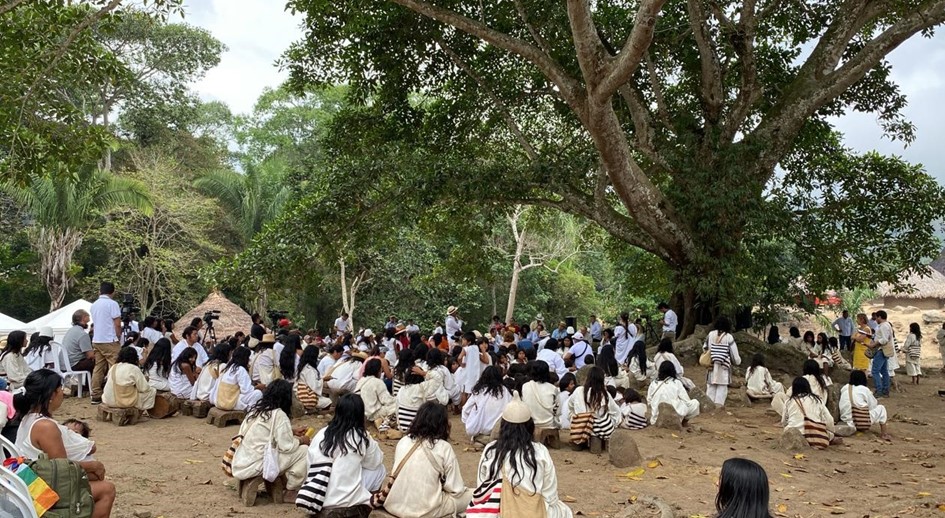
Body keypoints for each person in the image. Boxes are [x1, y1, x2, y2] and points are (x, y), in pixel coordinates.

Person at [13, 370, 115, 518]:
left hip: (29, 480)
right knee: (107, 489)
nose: (63, 393)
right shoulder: (45, 426)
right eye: (60, 389)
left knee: (93, 476)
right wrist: (93, 466)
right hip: (40, 489)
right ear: (52, 394)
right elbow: (63, 470)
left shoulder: (27, 417)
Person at [473, 394, 573, 518]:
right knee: (565, 511)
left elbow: (481, 490)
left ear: (503, 426)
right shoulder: (540, 451)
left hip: (499, 513)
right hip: (534, 513)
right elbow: (550, 497)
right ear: (529, 427)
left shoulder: (490, 450)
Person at [382, 402, 472, 517]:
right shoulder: (444, 447)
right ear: (443, 424)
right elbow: (456, 489)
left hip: (394, 506)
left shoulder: (404, 441)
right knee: (475, 495)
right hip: (425, 511)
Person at [304, 394, 385, 517]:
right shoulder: (360, 436)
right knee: (379, 470)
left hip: (316, 496)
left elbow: (310, 463)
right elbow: (376, 461)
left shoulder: (321, 434)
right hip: (344, 502)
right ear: (360, 414)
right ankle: (366, 510)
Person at [231, 379, 311, 503]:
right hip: (257, 465)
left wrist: (292, 431)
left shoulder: (255, 411)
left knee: (292, 447)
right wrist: (302, 440)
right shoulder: (279, 414)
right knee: (304, 451)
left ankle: (287, 485)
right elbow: (287, 446)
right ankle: (291, 490)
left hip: (241, 462)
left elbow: (265, 433)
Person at [568, 366, 620, 445]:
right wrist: (612, 424)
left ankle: (582, 438)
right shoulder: (605, 394)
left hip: (581, 427)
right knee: (609, 414)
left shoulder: (579, 390)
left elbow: (570, 405)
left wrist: (578, 415)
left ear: (588, 378)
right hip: (602, 429)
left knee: (572, 414)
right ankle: (598, 436)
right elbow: (616, 412)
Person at [781, 377, 839, 446]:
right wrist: (831, 432)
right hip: (814, 433)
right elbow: (829, 419)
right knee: (829, 434)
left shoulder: (789, 401)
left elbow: (784, 422)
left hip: (794, 434)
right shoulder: (817, 400)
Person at [90, 281, 122, 405]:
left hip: (97, 340)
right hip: (110, 339)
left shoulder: (94, 305)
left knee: (98, 367)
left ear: (100, 291)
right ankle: (113, 394)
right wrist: (118, 336)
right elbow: (117, 323)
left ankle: (96, 395)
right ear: (113, 292)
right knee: (115, 367)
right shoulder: (112, 304)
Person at [462, 365, 512, 443]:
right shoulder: (505, 391)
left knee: (474, 408)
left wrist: (468, 422)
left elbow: (466, 409)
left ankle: (481, 439)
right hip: (500, 431)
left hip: (482, 432)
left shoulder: (479, 391)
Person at [839, 370, 891, 440]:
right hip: (860, 421)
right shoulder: (864, 389)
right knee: (881, 408)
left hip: (845, 419)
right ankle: (884, 434)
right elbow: (873, 405)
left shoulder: (845, 387)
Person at [354, 359, 399, 438]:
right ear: (378, 370)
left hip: (361, 412)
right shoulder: (378, 382)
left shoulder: (362, 380)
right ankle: (383, 423)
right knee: (397, 405)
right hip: (373, 413)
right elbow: (387, 401)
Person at [102, 347, 156, 412]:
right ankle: (140, 412)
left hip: (108, 400)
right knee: (152, 391)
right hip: (124, 402)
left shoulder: (114, 366)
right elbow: (144, 388)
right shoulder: (134, 368)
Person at [211, 347, 263, 411]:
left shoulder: (227, 368)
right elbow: (246, 391)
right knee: (258, 393)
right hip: (230, 402)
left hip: (220, 401)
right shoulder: (240, 369)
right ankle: (250, 413)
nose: (249, 360)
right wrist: (257, 387)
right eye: (248, 358)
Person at [703, 316, 740, 406]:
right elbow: (735, 355)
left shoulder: (710, 334)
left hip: (711, 366)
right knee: (722, 388)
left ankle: (709, 408)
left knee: (711, 387)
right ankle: (719, 408)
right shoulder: (728, 337)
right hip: (724, 367)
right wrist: (737, 362)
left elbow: (704, 348)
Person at [522, 361, 560, 430]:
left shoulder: (525, 386)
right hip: (549, 425)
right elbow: (557, 410)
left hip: (530, 425)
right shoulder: (553, 389)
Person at [295, 345, 332, 413]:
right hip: (306, 395)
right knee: (328, 402)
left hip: (301, 392)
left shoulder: (304, 366)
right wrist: (323, 380)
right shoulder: (309, 369)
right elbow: (314, 386)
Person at [457, 332, 488, 404]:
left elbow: (459, 358)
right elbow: (485, 360)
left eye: (464, 340)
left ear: (469, 342)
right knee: (472, 392)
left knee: (464, 392)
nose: (462, 341)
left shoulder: (465, 349)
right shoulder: (476, 348)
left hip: (466, 373)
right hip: (475, 374)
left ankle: (462, 408)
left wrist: (461, 364)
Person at [869, 310, 894, 398]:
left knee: (875, 371)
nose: (875, 319)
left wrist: (874, 344)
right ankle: (885, 390)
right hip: (884, 350)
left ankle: (879, 390)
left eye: (876, 317)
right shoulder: (887, 325)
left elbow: (884, 339)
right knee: (884, 371)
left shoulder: (883, 326)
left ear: (879, 317)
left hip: (880, 350)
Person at [62, 309, 95, 373]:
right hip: (73, 364)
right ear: (84, 318)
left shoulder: (70, 331)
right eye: (88, 316)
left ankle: (88, 381)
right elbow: (90, 355)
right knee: (99, 362)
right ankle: (95, 382)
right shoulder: (82, 334)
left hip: (64, 364)